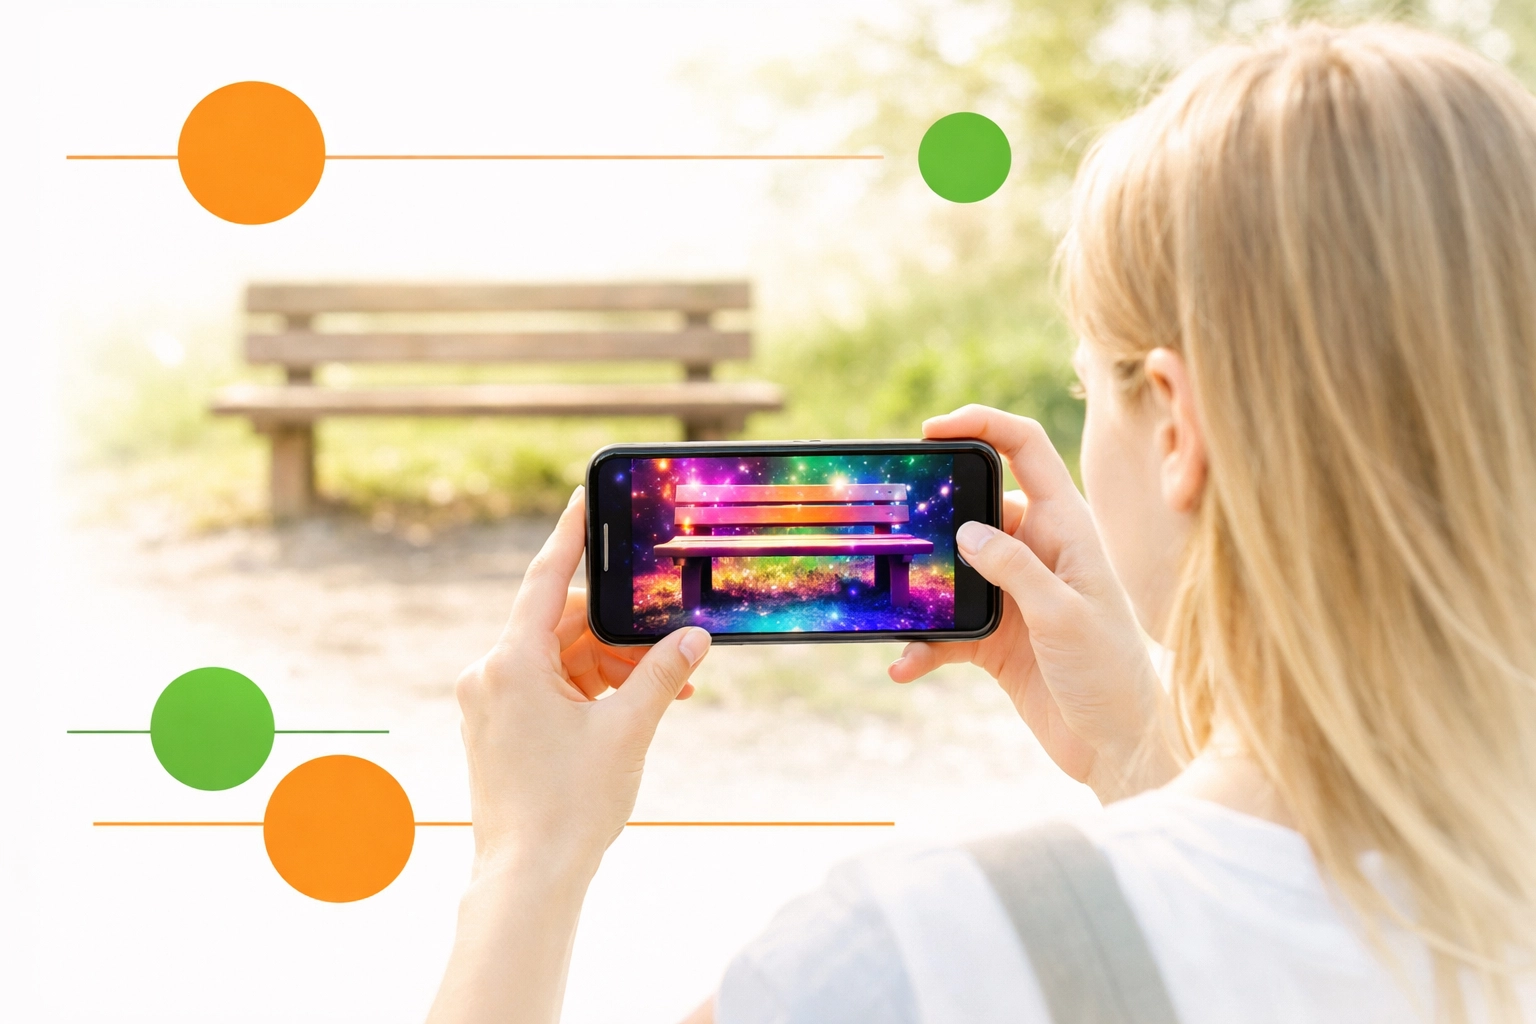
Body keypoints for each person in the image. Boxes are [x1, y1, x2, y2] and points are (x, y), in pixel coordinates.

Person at [426, 21, 1536, 1024]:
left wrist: (528, 859)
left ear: (1175, 430)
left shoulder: (911, 959)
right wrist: (1139, 754)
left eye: (1087, 388)